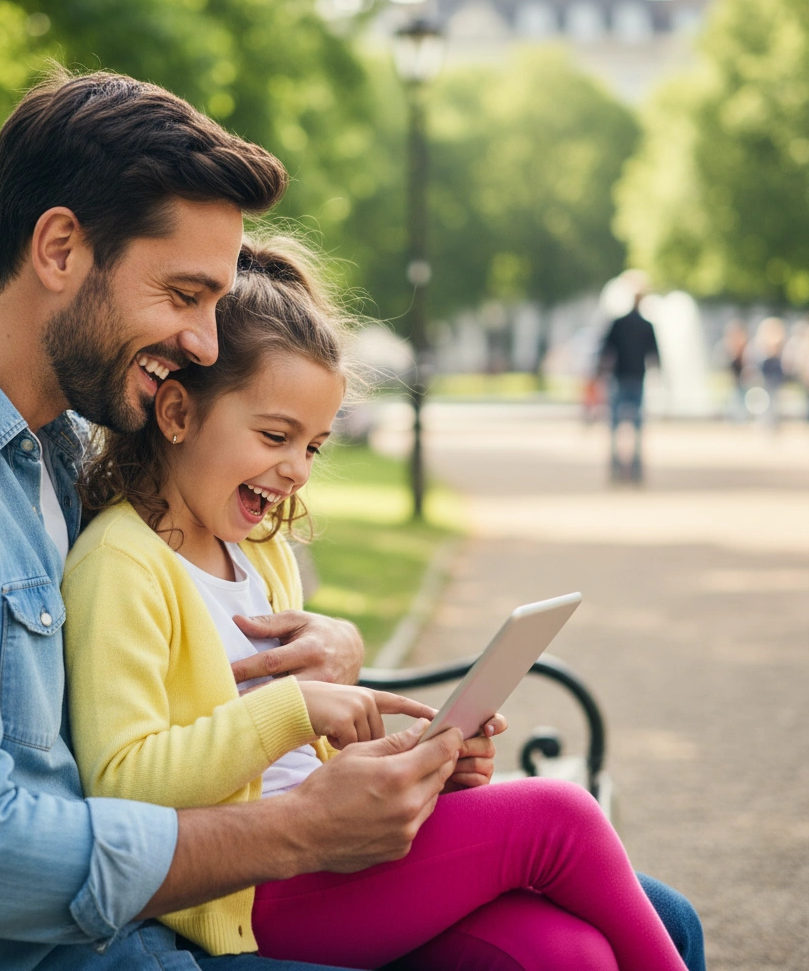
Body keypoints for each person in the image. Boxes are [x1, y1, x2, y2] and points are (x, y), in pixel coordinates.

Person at [0, 68, 703, 971]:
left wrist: (341, 677)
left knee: (652, 921)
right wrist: (296, 831)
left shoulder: (64, 434)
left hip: (157, 927)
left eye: (217, 304)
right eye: (185, 296)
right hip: (101, 952)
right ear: (59, 249)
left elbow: (180, 670)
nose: (207, 345)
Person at [62, 236, 695, 971]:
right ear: (176, 412)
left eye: (316, 447)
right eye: (276, 436)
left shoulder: (259, 551)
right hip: (247, 889)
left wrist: (406, 759)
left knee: (566, 953)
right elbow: (121, 783)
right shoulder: (120, 563)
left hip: (330, 855)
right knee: (559, 815)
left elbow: (299, 762)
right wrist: (297, 706)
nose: (297, 469)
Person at [598, 274, 660, 482]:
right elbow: (655, 356)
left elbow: (605, 351)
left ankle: (616, 463)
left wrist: (599, 372)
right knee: (637, 424)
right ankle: (635, 465)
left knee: (615, 423)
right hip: (637, 377)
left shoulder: (618, 323)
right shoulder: (646, 325)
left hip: (620, 376)